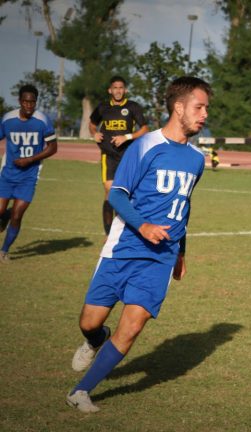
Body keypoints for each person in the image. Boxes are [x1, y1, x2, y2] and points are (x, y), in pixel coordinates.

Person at [66, 76, 211, 413]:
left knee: (132, 327)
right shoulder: (144, 146)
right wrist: (143, 225)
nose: (204, 114)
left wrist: (182, 252)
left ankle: (81, 391)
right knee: (89, 321)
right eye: (199, 107)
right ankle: (93, 339)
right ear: (179, 107)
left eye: (206, 108)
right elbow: (117, 194)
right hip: (125, 247)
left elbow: (183, 206)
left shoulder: (196, 159)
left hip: (161, 257)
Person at [0, 85, 58, 263]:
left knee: (17, 215)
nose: (29, 105)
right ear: (19, 101)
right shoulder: (8, 119)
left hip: (29, 176)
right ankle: (5, 215)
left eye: (32, 102)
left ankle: (4, 251)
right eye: (25, 101)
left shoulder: (43, 121)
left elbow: (53, 148)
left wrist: (30, 160)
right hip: (7, 174)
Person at [89, 76, 149, 236]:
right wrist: (94, 133)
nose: (118, 91)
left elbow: (144, 129)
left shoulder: (132, 107)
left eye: (121, 87)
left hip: (127, 156)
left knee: (122, 194)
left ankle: (119, 232)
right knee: (110, 192)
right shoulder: (103, 107)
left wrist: (127, 137)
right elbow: (92, 124)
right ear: (110, 90)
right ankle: (109, 235)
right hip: (108, 155)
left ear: (125, 90)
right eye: (115, 88)